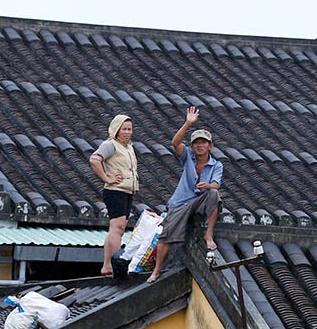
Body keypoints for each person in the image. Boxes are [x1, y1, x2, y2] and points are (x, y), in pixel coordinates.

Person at [149, 106, 223, 283]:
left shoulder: (216, 165)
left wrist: (207, 186)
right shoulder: (187, 155)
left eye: (203, 142)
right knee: (166, 235)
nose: (200, 145)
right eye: (197, 142)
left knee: (214, 195)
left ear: (210, 146)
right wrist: (188, 123)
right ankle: (157, 270)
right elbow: (175, 143)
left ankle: (208, 234)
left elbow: (216, 184)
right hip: (180, 202)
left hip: (200, 200)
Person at [89, 114, 139, 277]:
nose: (127, 132)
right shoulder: (110, 145)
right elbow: (94, 160)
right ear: (116, 129)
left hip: (126, 190)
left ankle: (107, 265)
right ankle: (116, 264)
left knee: (117, 227)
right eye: (124, 129)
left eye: (129, 129)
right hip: (115, 190)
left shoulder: (129, 147)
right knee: (117, 228)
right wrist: (106, 178)